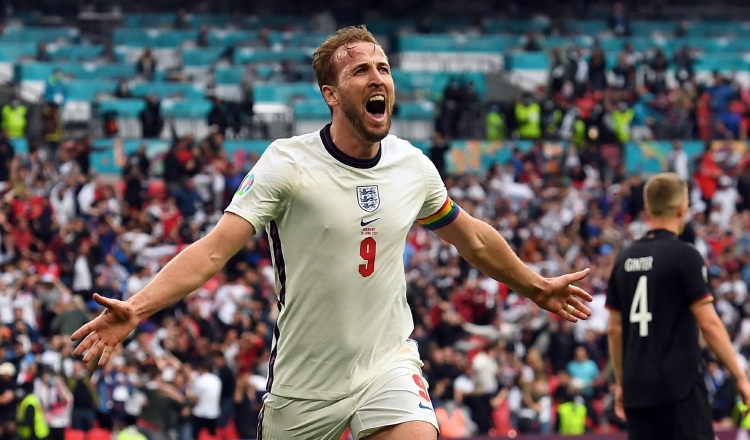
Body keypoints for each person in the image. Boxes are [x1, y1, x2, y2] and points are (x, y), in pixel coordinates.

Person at [71, 25, 593, 440]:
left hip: (387, 364)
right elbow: (212, 252)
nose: (377, 78)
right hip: (304, 385)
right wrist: (136, 309)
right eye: (360, 70)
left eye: (383, 68)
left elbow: (472, 237)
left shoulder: (412, 166)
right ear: (331, 94)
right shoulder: (286, 163)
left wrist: (535, 285)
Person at [606, 172, 750, 440]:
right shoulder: (686, 256)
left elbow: (615, 330)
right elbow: (708, 322)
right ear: (682, 208)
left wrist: (621, 383)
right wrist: (740, 376)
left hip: (638, 389)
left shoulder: (623, 258)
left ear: (647, 209)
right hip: (678, 388)